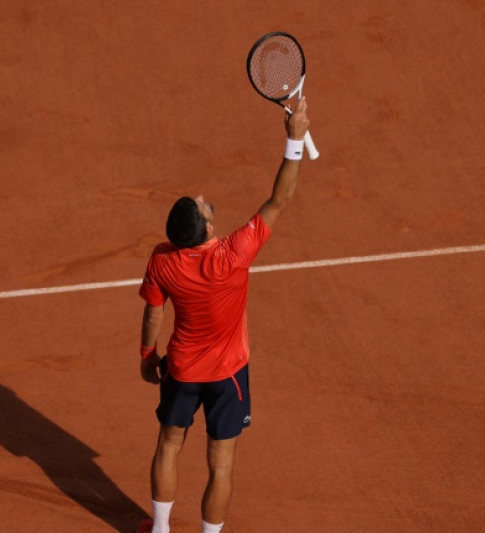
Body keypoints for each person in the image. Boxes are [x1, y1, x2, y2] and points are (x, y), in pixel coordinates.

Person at [135, 96, 310, 533]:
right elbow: (280, 199)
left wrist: (146, 355)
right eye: (202, 206)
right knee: (222, 463)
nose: (203, 200)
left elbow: (154, 315)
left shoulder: (162, 260)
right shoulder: (234, 254)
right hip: (229, 375)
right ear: (208, 228)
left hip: (182, 369)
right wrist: (295, 140)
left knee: (169, 446)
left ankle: (160, 531)